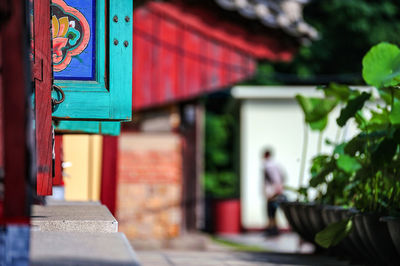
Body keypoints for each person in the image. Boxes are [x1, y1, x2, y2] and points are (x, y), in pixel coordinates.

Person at [263, 149, 285, 236]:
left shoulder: (268, 165)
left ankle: (272, 230)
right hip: (275, 190)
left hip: (272, 191)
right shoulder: (276, 165)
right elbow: (282, 177)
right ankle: (274, 229)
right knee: (273, 210)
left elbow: (273, 178)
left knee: (270, 211)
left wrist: (273, 190)